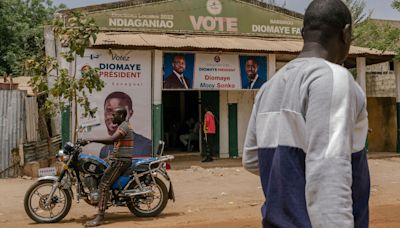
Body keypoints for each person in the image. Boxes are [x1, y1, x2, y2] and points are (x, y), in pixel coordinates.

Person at [242, 0, 370, 227]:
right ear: (346, 33)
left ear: (303, 33)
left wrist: (291, 176)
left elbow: (252, 160)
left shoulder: (268, 87)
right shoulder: (333, 78)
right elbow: (329, 171)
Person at [83, 107, 134, 227]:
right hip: (117, 159)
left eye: (114, 114)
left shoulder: (124, 126)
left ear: (121, 116)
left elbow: (111, 139)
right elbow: (113, 141)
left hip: (121, 160)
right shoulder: (122, 126)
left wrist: (91, 140)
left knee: (104, 184)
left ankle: (100, 217)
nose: (111, 117)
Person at [100, 91, 152, 159]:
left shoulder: (145, 146)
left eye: (119, 112)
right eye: (109, 110)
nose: (113, 116)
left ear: (130, 113)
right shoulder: (105, 150)